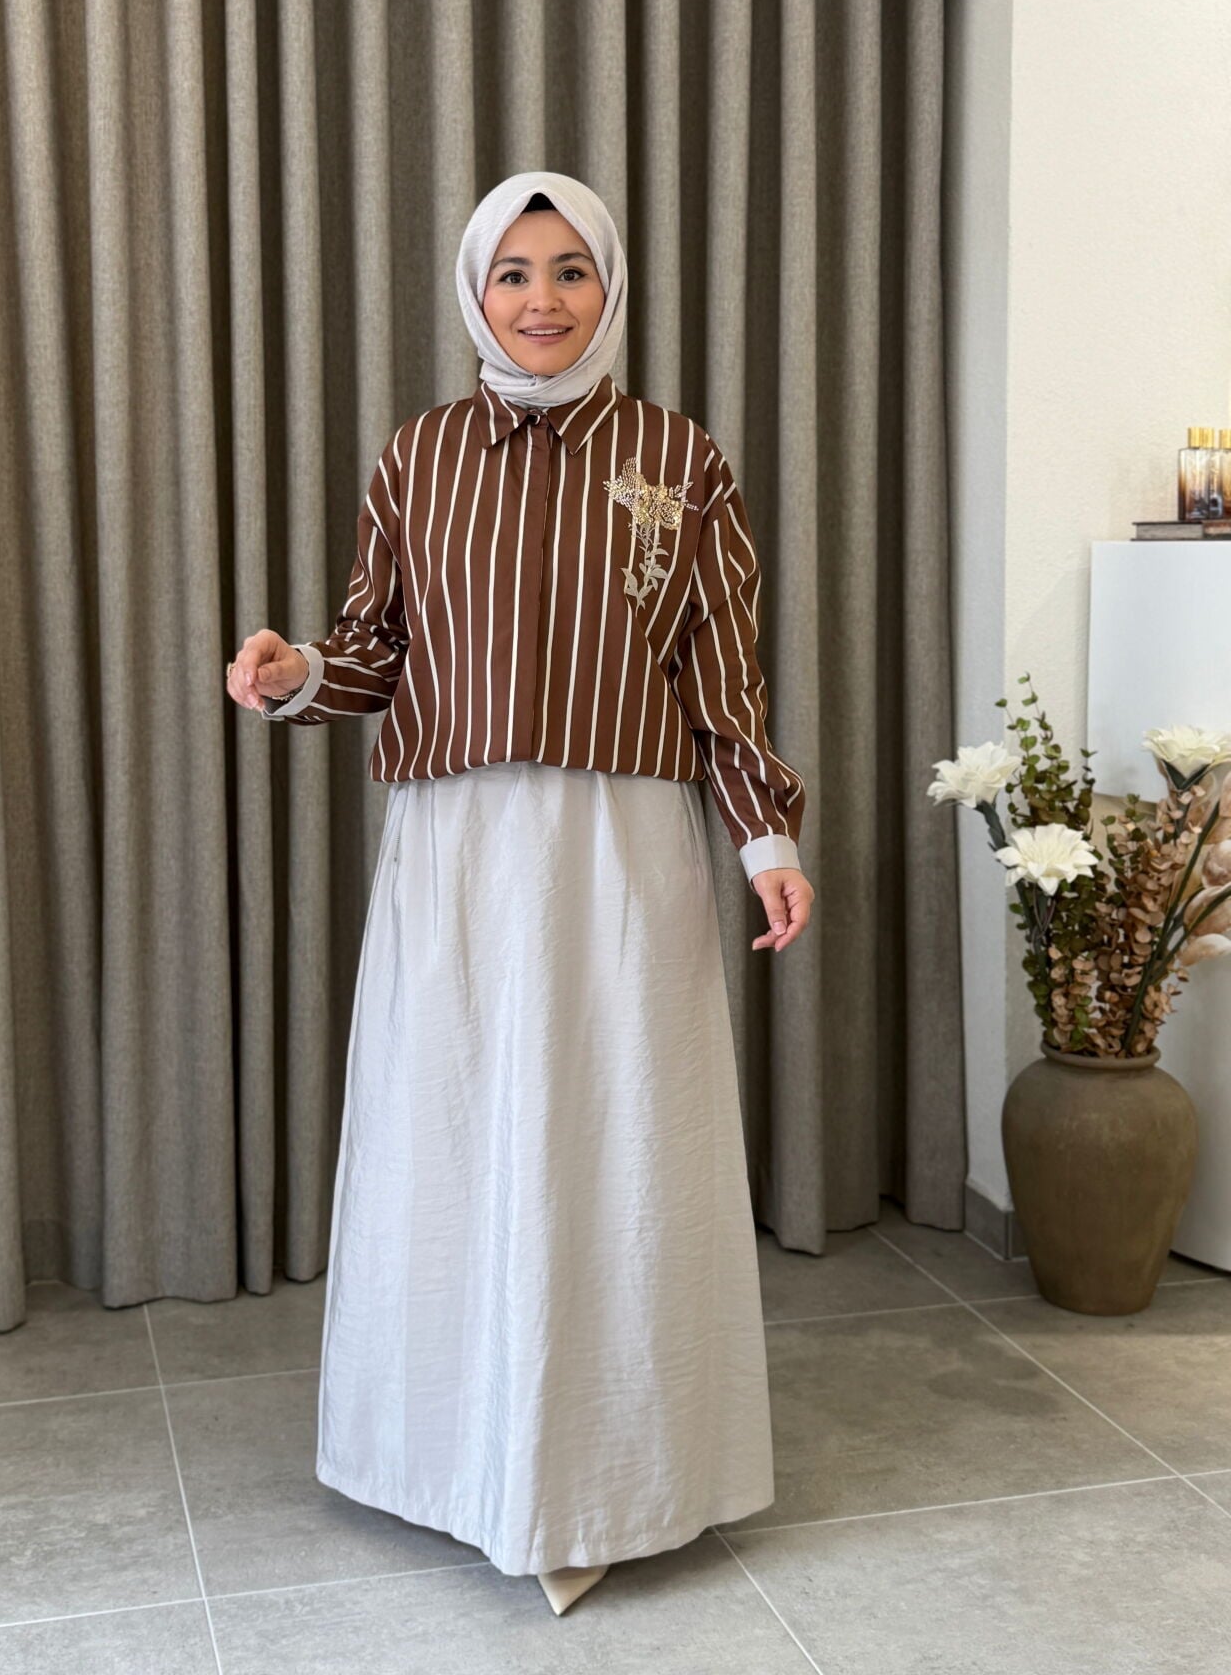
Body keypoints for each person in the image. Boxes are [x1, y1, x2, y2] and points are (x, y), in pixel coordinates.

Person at [226, 171, 815, 1616]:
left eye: (569, 271)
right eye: (513, 273)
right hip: (461, 853)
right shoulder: (420, 455)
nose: (542, 299)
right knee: (455, 1136)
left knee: (616, 1138)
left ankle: (610, 1474)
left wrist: (768, 844)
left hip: (622, 854)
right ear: (475, 291)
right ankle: (452, 1455)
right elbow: (375, 652)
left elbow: (721, 681)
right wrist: (298, 675)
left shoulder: (681, 459)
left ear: (609, 288)